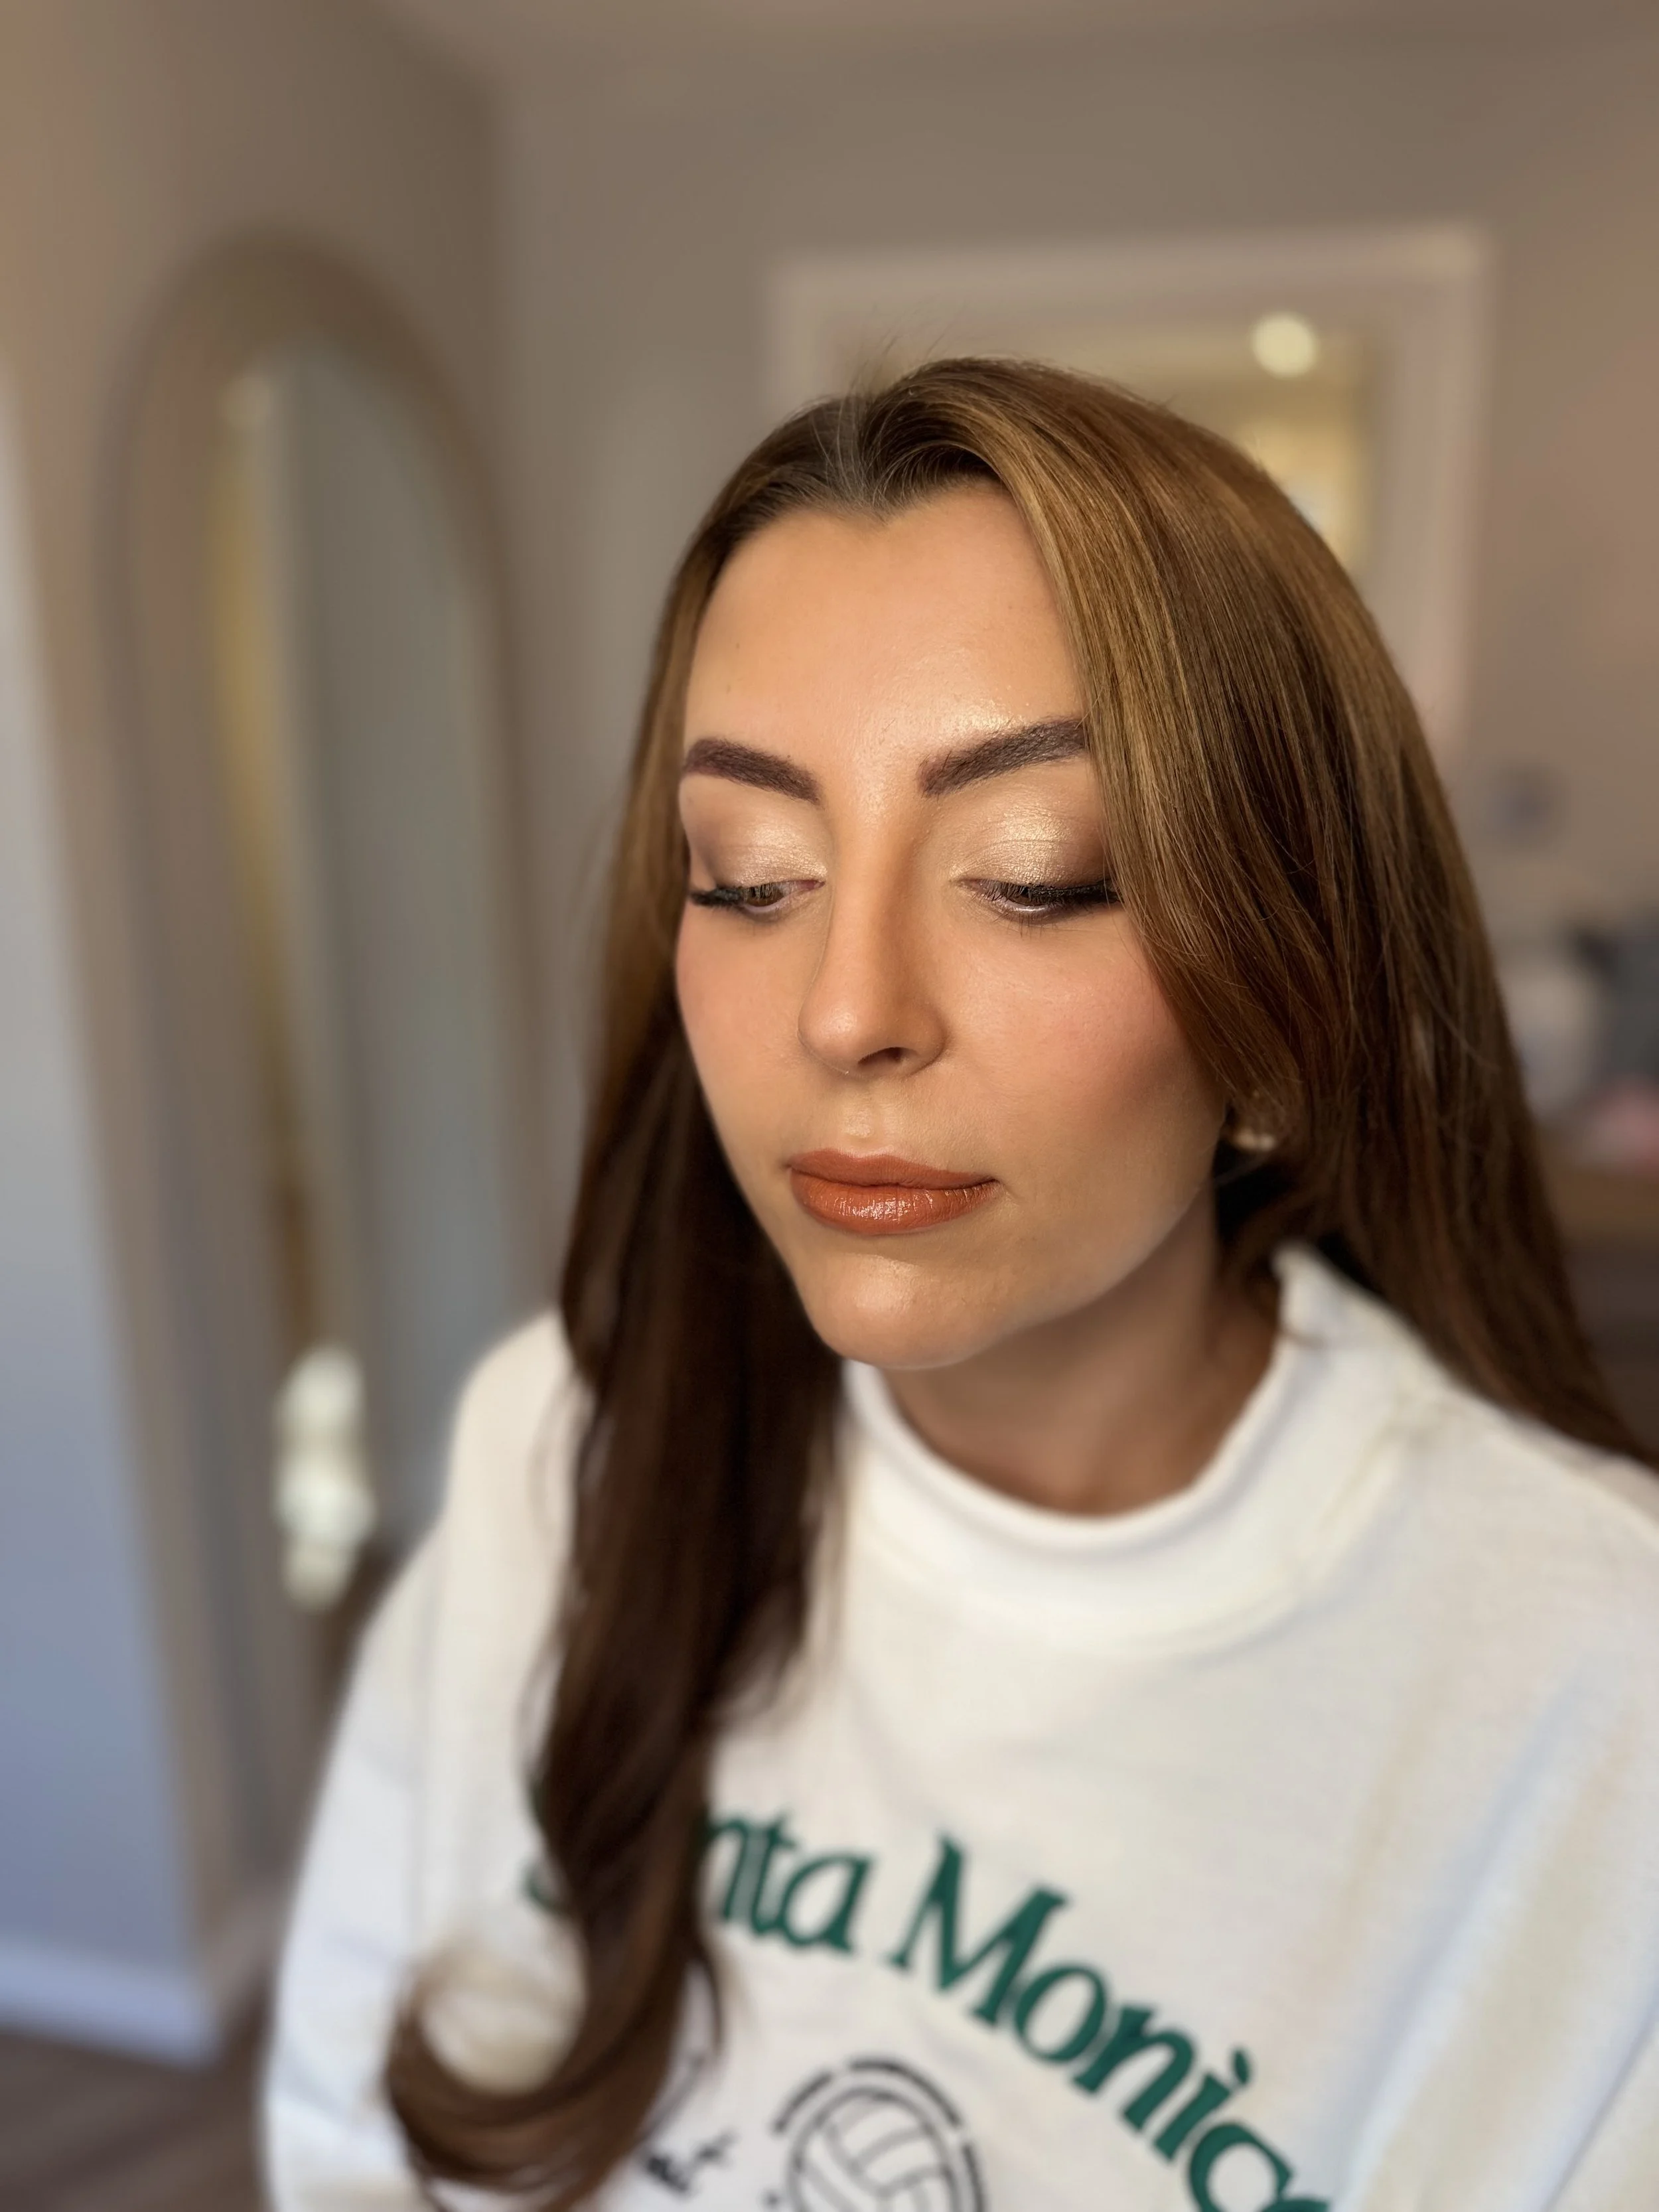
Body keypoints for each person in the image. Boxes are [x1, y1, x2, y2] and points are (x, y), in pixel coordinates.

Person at [263, 360, 1659, 2212]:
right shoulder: (563, 1451)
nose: (845, 1012)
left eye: (1032, 874)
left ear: (1284, 1001)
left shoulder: (1595, 1695)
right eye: (748, 874)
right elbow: (354, 2126)